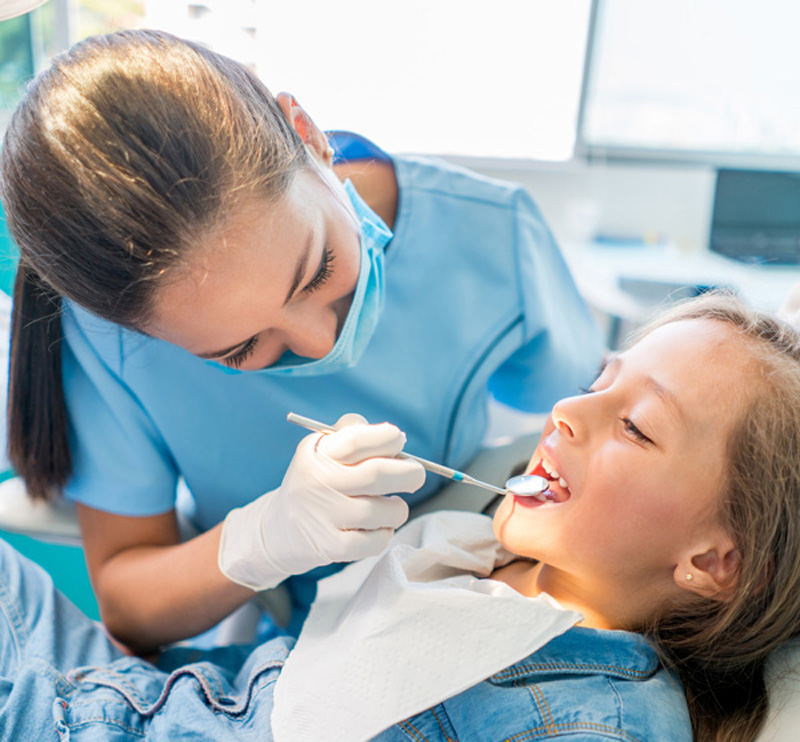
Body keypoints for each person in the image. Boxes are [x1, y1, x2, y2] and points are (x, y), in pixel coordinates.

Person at [3, 292, 800, 742]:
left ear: (714, 562)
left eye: (635, 425)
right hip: (121, 699)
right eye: (598, 382)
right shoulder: (469, 560)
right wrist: (271, 533)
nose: (565, 410)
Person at [0, 29, 603, 652]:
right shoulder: (107, 343)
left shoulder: (492, 230)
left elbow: (590, 428)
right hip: (298, 645)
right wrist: (264, 539)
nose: (320, 344)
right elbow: (129, 604)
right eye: (239, 350)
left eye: (319, 271)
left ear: (306, 133)